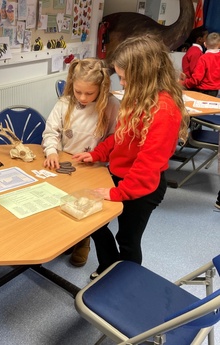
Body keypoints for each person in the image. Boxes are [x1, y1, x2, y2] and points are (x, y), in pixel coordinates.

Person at [72, 35, 189, 279]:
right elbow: (121, 137)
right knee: (96, 222)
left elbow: (147, 167)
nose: (122, 83)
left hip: (142, 189)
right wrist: (97, 154)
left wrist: (118, 193)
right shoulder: (140, 97)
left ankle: (123, 281)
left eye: (125, 78)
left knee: (127, 239)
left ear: (144, 75)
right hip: (121, 177)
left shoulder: (164, 110)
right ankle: (108, 267)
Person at [42, 58, 120, 267]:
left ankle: (83, 241)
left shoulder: (111, 105)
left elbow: (115, 138)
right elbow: (51, 131)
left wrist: (98, 155)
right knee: (62, 201)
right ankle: (68, 238)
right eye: (78, 92)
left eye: (89, 93)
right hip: (65, 162)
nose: (83, 98)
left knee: (84, 205)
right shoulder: (65, 103)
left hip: (94, 166)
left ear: (101, 89)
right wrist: (51, 151)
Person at [181, 32, 220, 96]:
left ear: (205, 44)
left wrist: (184, 83)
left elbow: (196, 78)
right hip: (216, 91)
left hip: (203, 90)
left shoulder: (204, 58)